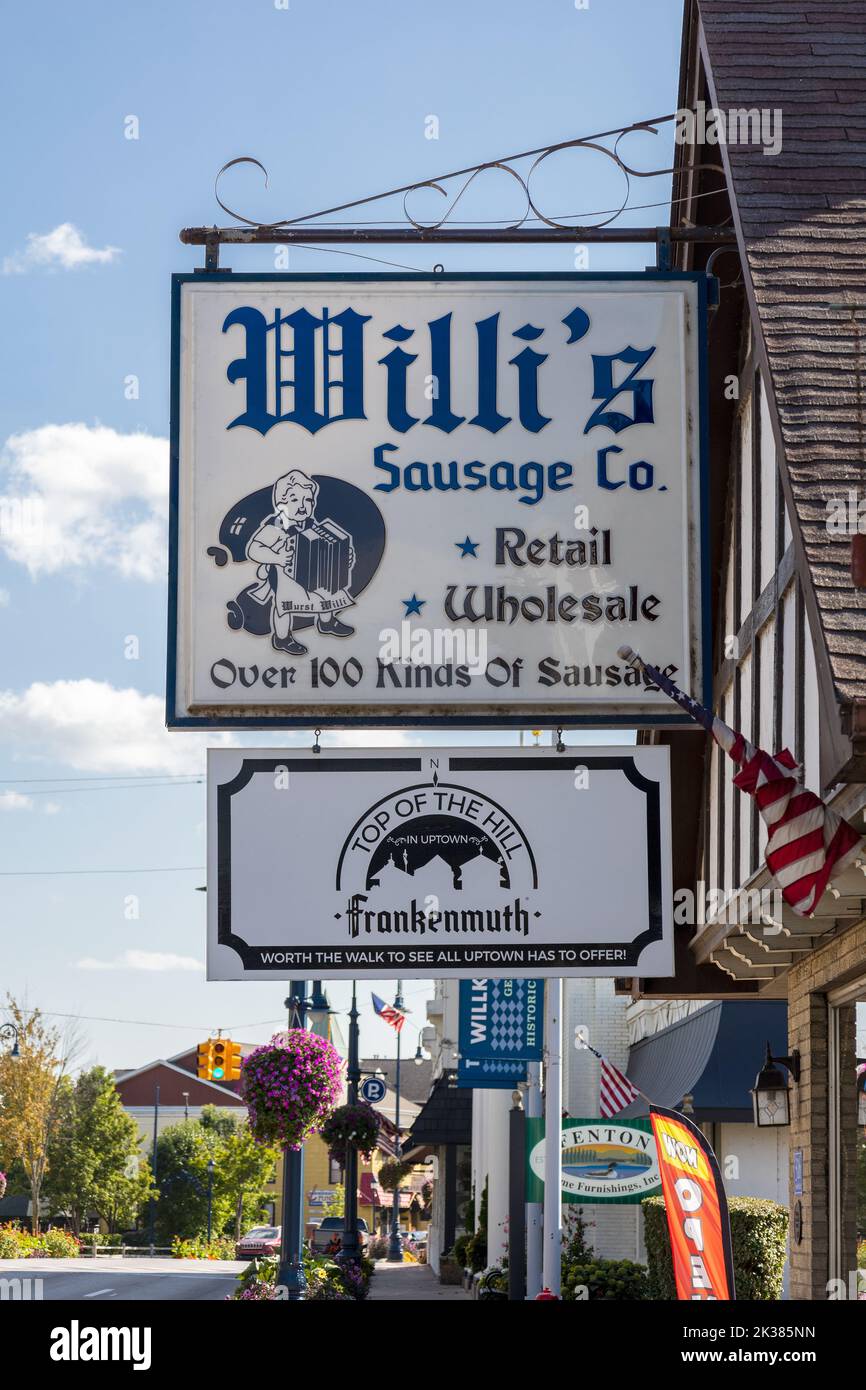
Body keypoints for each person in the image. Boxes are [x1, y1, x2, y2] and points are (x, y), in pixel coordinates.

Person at [246, 469, 355, 656]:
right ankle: (281, 638)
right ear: (281, 504)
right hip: (283, 576)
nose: (303, 506)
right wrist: (277, 558)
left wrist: (344, 556)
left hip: (312, 572)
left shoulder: (311, 524)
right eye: (295, 500)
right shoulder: (276, 527)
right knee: (284, 606)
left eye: (308, 500)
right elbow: (253, 549)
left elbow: (325, 544)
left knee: (327, 593)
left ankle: (327, 622)